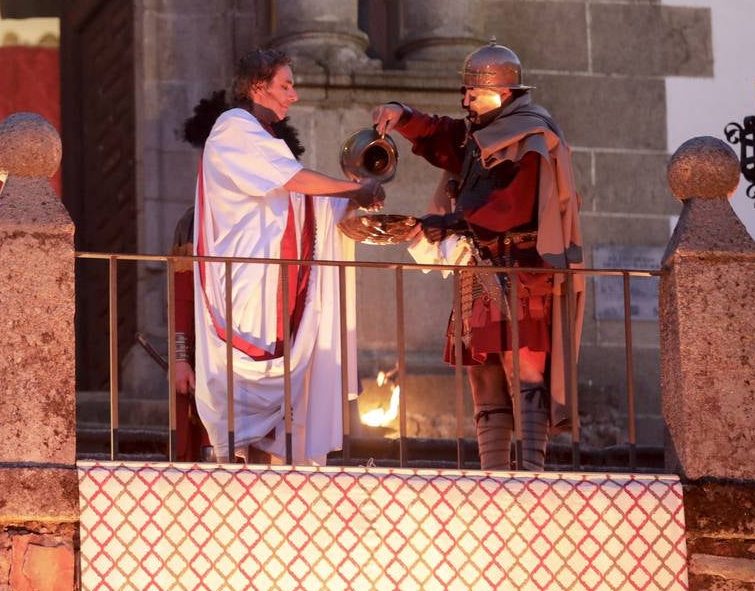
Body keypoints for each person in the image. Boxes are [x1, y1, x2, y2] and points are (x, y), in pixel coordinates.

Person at [372, 40, 583, 471]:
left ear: (502, 94)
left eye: (473, 92)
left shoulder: (533, 136)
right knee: (482, 374)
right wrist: (403, 115)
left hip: (522, 269)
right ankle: (493, 475)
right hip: (479, 270)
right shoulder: (476, 133)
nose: (465, 100)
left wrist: (451, 222)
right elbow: (439, 134)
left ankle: (530, 474)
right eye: (465, 91)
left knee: (525, 371)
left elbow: (513, 205)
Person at [193, 48, 382, 464]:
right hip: (246, 275)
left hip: (274, 277)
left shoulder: (264, 140)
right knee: (247, 371)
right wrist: (352, 190)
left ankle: (271, 464)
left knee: (279, 376)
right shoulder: (233, 127)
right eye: (286, 85)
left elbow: (295, 198)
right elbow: (291, 181)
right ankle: (238, 463)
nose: (293, 96)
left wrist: (346, 200)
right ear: (257, 87)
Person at [170, 89, 308, 461]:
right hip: (215, 354)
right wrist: (181, 358)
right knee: (220, 449)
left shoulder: (286, 221)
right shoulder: (194, 223)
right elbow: (183, 293)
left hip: (276, 351)